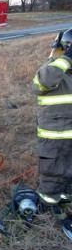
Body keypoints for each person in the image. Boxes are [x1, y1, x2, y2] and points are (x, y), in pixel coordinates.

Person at [32, 29, 72, 210]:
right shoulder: (53, 69)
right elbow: (43, 82)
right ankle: (48, 208)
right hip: (54, 135)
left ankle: (65, 196)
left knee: (68, 170)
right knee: (52, 173)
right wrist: (66, 60)